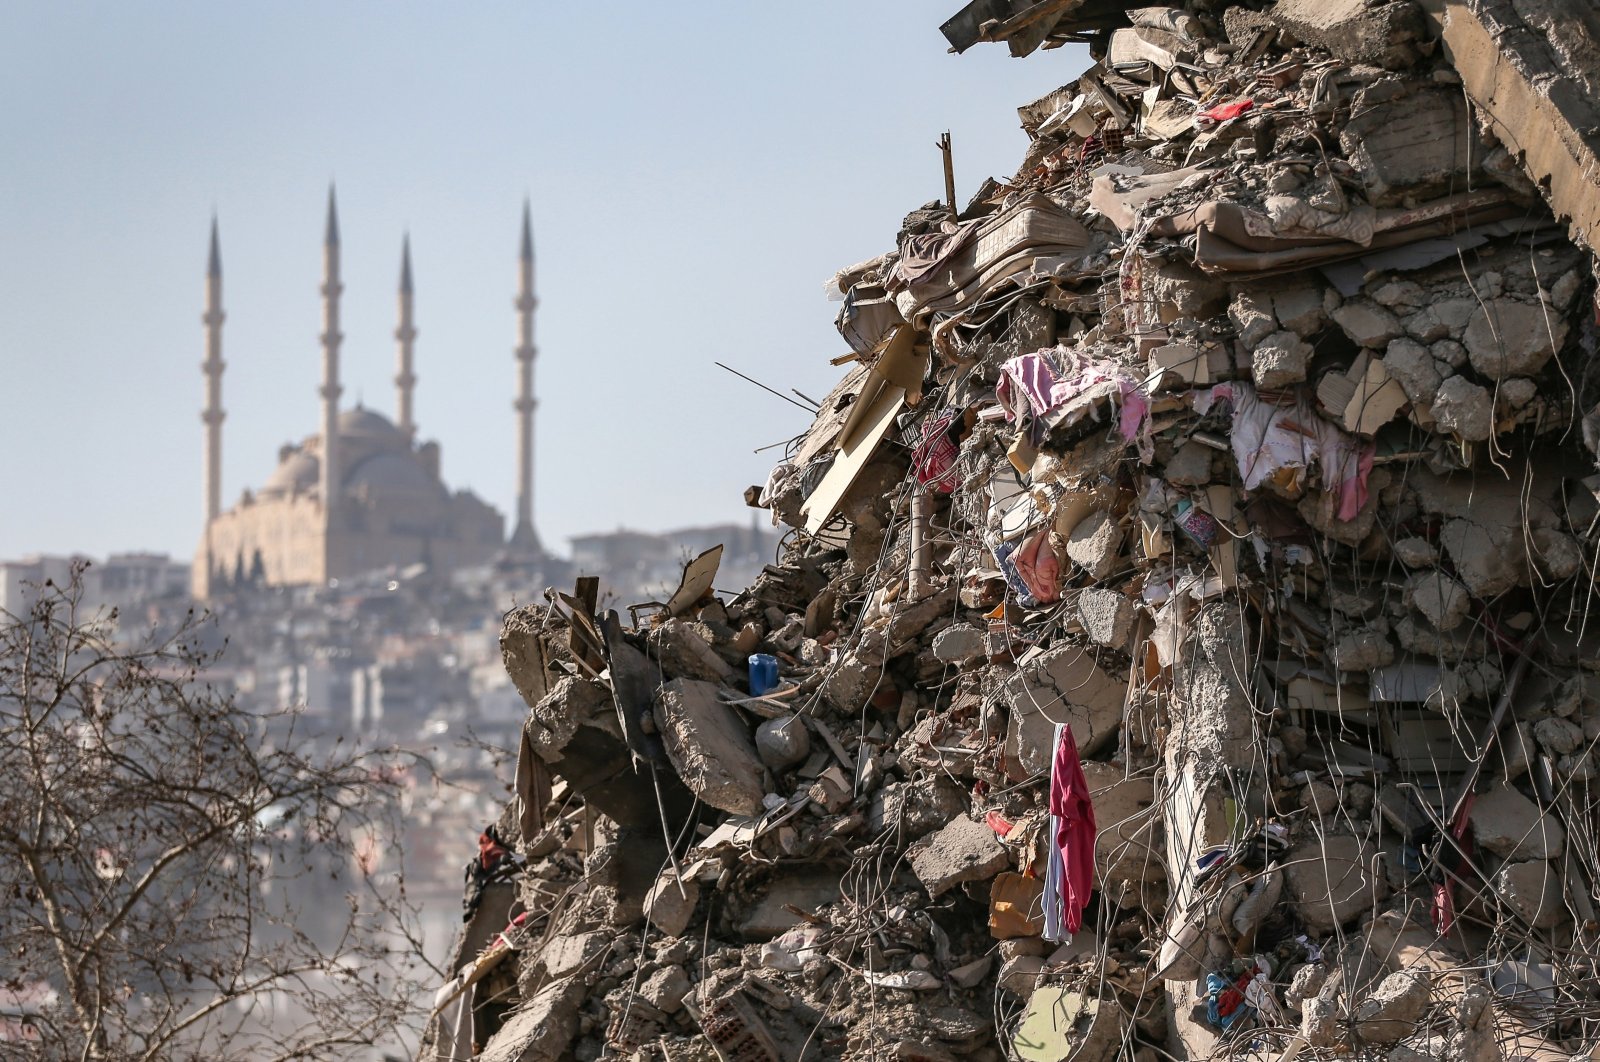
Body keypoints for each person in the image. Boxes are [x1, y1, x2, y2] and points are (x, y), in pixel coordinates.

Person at [462, 824, 517, 923]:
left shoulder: (489, 844)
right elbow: (495, 854)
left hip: (480, 869)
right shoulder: (489, 846)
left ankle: (469, 907)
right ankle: (469, 908)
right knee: (474, 890)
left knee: (473, 888)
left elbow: (500, 854)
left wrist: (504, 857)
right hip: (479, 869)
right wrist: (504, 858)